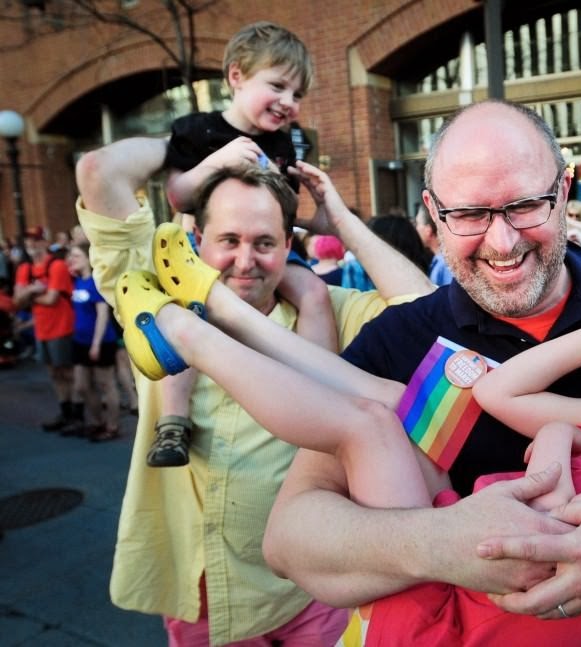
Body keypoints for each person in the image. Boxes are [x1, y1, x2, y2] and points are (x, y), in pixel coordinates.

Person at [110, 246, 581, 645]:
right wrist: (573, 395)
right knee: (378, 401)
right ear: (435, 217)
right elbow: (502, 397)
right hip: (454, 571)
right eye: (472, 210)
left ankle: (186, 331)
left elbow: (554, 544)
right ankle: (214, 318)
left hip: (459, 615)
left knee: (368, 420)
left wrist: (555, 462)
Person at [262, 99, 581, 645]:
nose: (502, 242)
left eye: (526, 205)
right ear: (434, 213)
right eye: (469, 214)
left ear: (564, 191)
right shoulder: (395, 340)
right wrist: (444, 543)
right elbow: (289, 540)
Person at [74, 136, 434, 646]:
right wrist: (203, 145)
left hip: (309, 588)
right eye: (229, 240)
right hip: (205, 596)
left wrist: (343, 224)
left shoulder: (328, 307)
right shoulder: (155, 290)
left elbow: (423, 315)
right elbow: (98, 171)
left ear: (289, 245)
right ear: (197, 239)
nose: (245, 261)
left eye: (264, 242)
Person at [152, 20, 338, 468]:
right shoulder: (197, 131)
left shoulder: (282, 144)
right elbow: (176, 195)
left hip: (272, 249)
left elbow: (285, 212)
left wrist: (318, 215)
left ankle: (327, 391)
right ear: (236, 76)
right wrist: (218, 161)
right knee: (186, 317)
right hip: (203, 252)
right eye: (277, 86)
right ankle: (173, 421)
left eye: (297, 95)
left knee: (313, 291)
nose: (289, 103)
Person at [13, 225, 77, 431]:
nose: (31, 244)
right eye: (28, 240)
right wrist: (33, 289)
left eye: (35, 239)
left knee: (67, 372)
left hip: (61, 326)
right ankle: (65, 411)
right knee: (53, 373)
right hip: (42, 329)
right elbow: (17, 301)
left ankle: (78, 413)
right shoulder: (25, 269)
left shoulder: (56, 265)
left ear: (44, 242)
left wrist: (29, 295)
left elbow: (51, 298)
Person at [65, 242, 122, 442]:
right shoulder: (77, 281)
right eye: (71, 256)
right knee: (81, 385)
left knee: (106, 383)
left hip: (101, 341)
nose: (72, 260)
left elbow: (102, 315)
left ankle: (112, 426)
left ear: (88, 258)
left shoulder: (96, 282)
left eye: (76, 256)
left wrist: (96, 344)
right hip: (80, 340)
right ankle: (98, 421)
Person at [414, 205, 454, 286]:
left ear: (428, 230)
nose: (416, 229)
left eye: (418, 224)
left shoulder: (445, 265)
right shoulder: (440, 261)